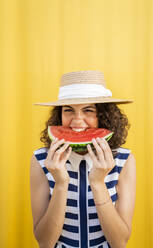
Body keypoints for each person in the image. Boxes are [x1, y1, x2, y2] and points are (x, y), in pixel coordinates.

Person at [30, 70, 136, 248]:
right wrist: (61, 184)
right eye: (68, 110)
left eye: (88, 110)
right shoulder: (41, 160)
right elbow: (44, 242)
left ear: (103, 116)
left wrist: (98, 183)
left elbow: (120, 242)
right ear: (59, 115)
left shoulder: (124, 160)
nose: (77, 120)